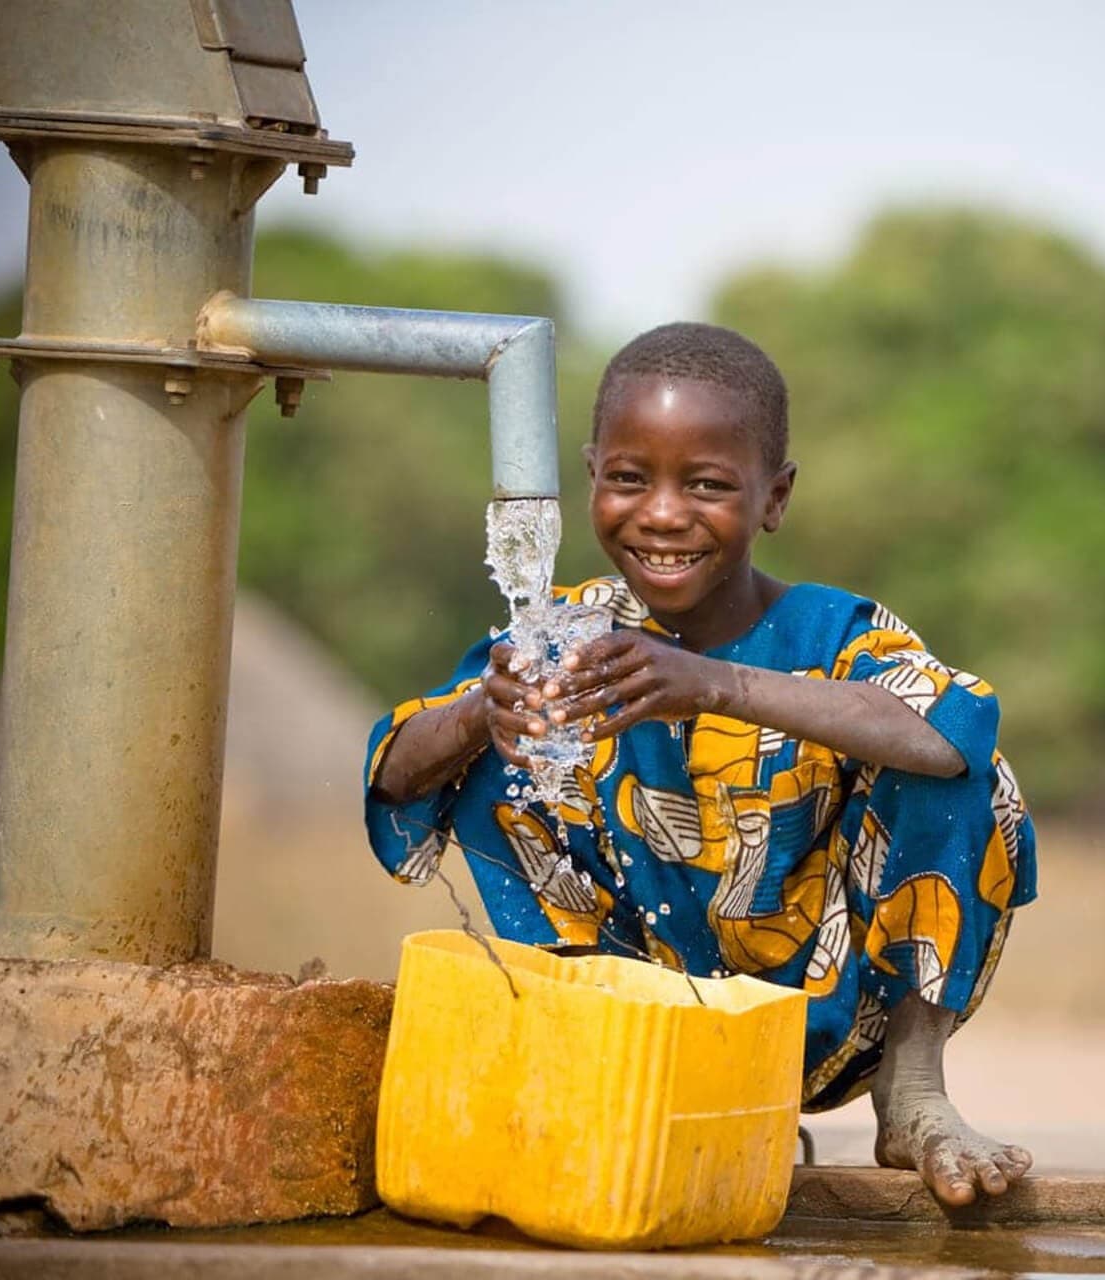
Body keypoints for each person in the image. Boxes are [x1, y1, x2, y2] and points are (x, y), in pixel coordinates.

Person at [365, 322, 1037, 1208]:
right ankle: (624, 1069)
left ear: (775, 497)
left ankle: (911, 1094)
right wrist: (476, 713)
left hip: (827, 1004)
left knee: (969, 778)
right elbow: (395, 771)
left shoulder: (835, 635)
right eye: (629, 478)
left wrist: (717, 686)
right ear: (591, 475)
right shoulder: (567, 630)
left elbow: (949, 730)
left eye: (709, 485)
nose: (663, 514)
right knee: (491, 748)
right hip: (642, 1014)